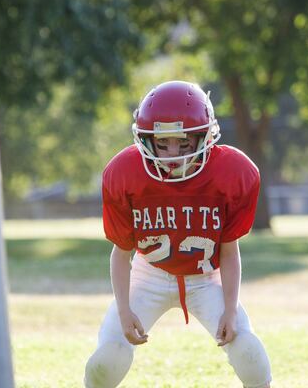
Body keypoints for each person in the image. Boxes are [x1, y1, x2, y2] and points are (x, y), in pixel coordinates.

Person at [84, 80, 272, 388]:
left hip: (205, 278)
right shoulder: (125, 173)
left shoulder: (230, 173)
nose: (173, 154)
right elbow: (121, 253)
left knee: (246, 348)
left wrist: (229, 307)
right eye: (162, 143)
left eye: (184, 144)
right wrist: (124, 309)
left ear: (204, 138)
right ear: (146, 140)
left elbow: (228, 249)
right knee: (110, 353)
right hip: (149, 274)